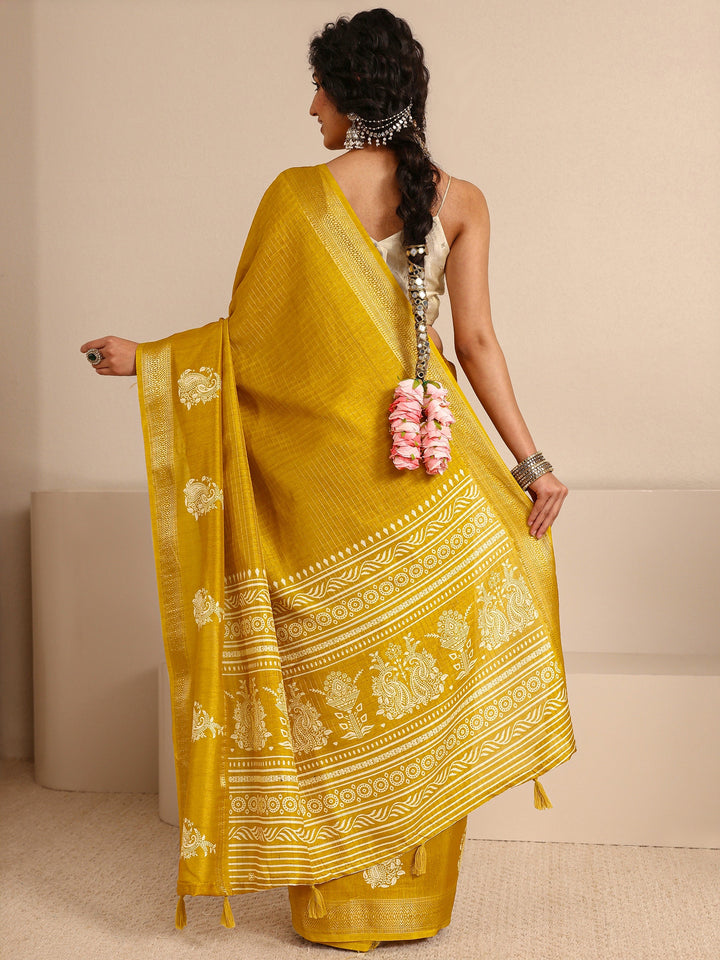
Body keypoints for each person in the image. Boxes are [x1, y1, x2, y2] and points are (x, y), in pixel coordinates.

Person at [80, 8, 575, 953]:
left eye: (319, 89)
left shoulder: (299, 196)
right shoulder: (463, 199)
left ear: (350, 94)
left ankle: (340, 906)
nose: (311, 108)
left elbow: (249, 348)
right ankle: (413, 905)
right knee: (425, 685)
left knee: (336, 693)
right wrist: (531, 464)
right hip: (432, 478)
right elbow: (475, 344)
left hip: (330, 494)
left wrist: (149, 359)